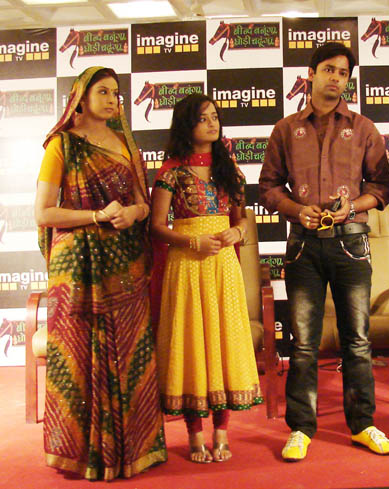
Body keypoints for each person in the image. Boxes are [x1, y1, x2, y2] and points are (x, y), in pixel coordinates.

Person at [259, 42, 389, 461]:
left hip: (351, 243)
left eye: (343, 72)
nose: (336, 78)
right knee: (304, 343)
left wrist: (351, 208)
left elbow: (383, 187)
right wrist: (296, 210)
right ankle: (301, 428)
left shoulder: (364, 128)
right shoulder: (286, 129)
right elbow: (268, 187)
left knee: (357, 340)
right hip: (303, 246)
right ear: (311, 73)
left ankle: (363, 425)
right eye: (329, 69)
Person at [34, 66, 167, 480]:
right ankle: (81, 452)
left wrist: (133, 213)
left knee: (131, 354)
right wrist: (95, 215)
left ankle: (134, 450)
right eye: (103, 92)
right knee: (78, 357)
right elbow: (44, 213)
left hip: (124, 264)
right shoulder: (62, 145)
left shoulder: (126, 143)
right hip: (78, 268)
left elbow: (145, 204)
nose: (112, 100)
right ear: (81, 97)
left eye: (115, 93)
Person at [151, 93, 262, 464]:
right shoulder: (171, 173)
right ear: (187, 125)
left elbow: (241, 219)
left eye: (215, 116)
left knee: (223, 343)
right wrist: (190, 240)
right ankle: (195, 435)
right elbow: (156, 227)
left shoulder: (230, 170)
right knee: (192, 345)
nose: (212, 123)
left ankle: (222, 433)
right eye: (203, 118)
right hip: (187, 264)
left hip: (223, 265)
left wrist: (237, 232)